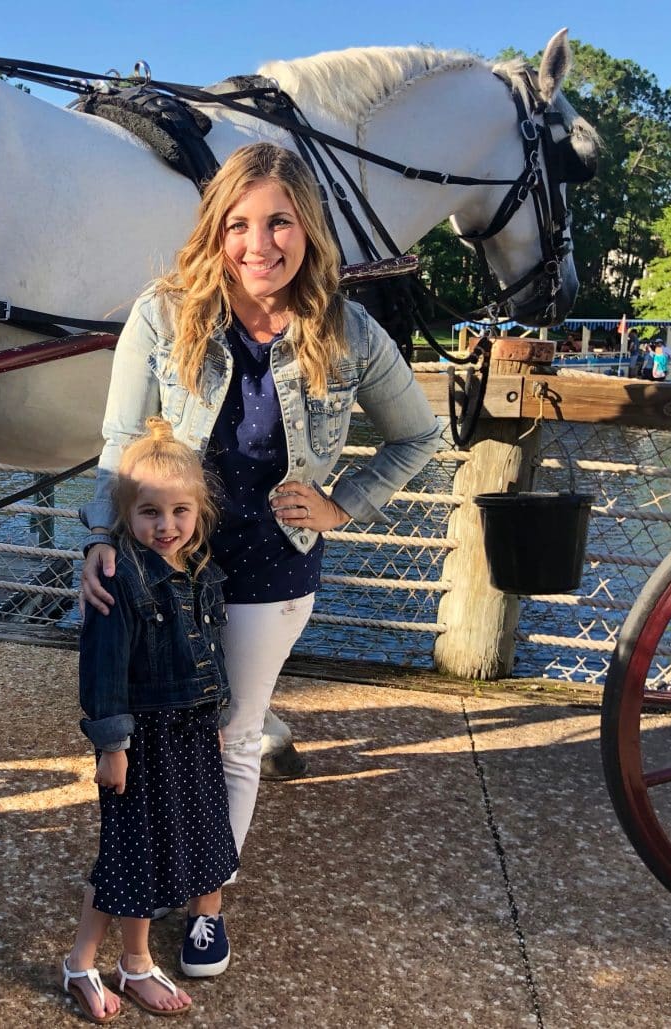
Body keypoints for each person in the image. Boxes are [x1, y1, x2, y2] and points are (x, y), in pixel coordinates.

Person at [79, 142, 440, 976]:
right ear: (216, 228)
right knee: (160, 727)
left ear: (307, 228)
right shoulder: (164, 315)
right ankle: (165, 864)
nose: (259, 243)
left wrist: (344, 502)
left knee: (235, 735)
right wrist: (100, 537)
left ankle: (206, 894)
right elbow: (121, 440)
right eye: (239, 223)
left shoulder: (346, 331)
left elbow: (419, 432)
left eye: (279, 221)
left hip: (275, 567)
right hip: (173, 560)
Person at [63, 416, 236, 1022]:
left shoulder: (205, 574)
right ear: (125, 515)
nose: (166, 527)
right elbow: (103, 673)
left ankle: (114, 962)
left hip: (189, 733)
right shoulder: (120, 578)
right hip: (140, 739)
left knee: (170, 849)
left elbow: (211, 650)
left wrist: (213, 712)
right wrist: (113, 746)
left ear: (200, 512)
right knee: (129, 854)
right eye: (149, 514)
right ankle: (105, 962)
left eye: (180, 512)